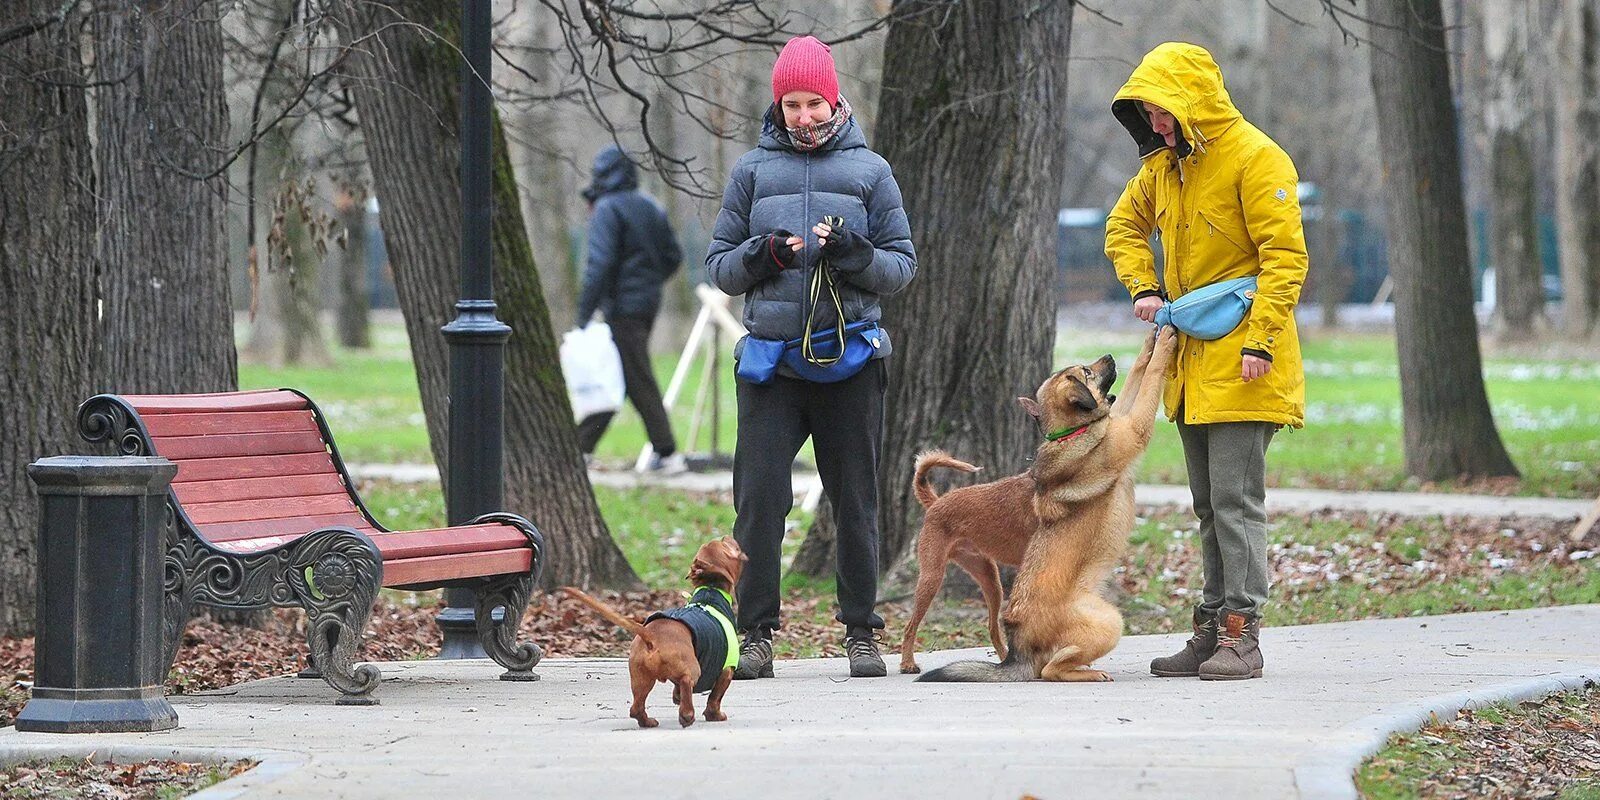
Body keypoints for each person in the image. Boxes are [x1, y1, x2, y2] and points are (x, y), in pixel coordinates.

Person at [705, 35, 916, 679]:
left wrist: (854, 254)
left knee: (855, 499)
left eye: (813, 103)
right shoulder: (749, 172)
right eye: (791, 104)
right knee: (760, 500)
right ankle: (757, 633)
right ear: (777, 104)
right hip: (771, 365)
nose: (802, 116)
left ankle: (860, 631)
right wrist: (762, 255)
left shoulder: (871, 172)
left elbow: (901, 267)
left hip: (850, 361)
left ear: (834, 100)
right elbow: (718, 267)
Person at [1104, 42, 1308, 681]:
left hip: (1247, 359)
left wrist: (1260, 341)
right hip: (1190, 364)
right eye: (1146, 114)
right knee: (1207, 504)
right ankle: (1211, 629)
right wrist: (1144, 286)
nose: (1156, 124)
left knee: (1234, 500)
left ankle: (1242, 636)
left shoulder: (1256, 157)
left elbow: (1285, 258)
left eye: (1162, 111)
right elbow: (1122, 226)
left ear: (1193, 102)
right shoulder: (1166, 168)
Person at [575, 144, 684, 472]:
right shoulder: (650, 207)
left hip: (621, 307)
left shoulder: (607, 209)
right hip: (646, 305)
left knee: (634, 377)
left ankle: (667, 452)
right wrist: (648, 284)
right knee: (618, 377)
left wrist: (585, 311)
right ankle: (581, 447)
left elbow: (600, 263)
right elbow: (673, 257)